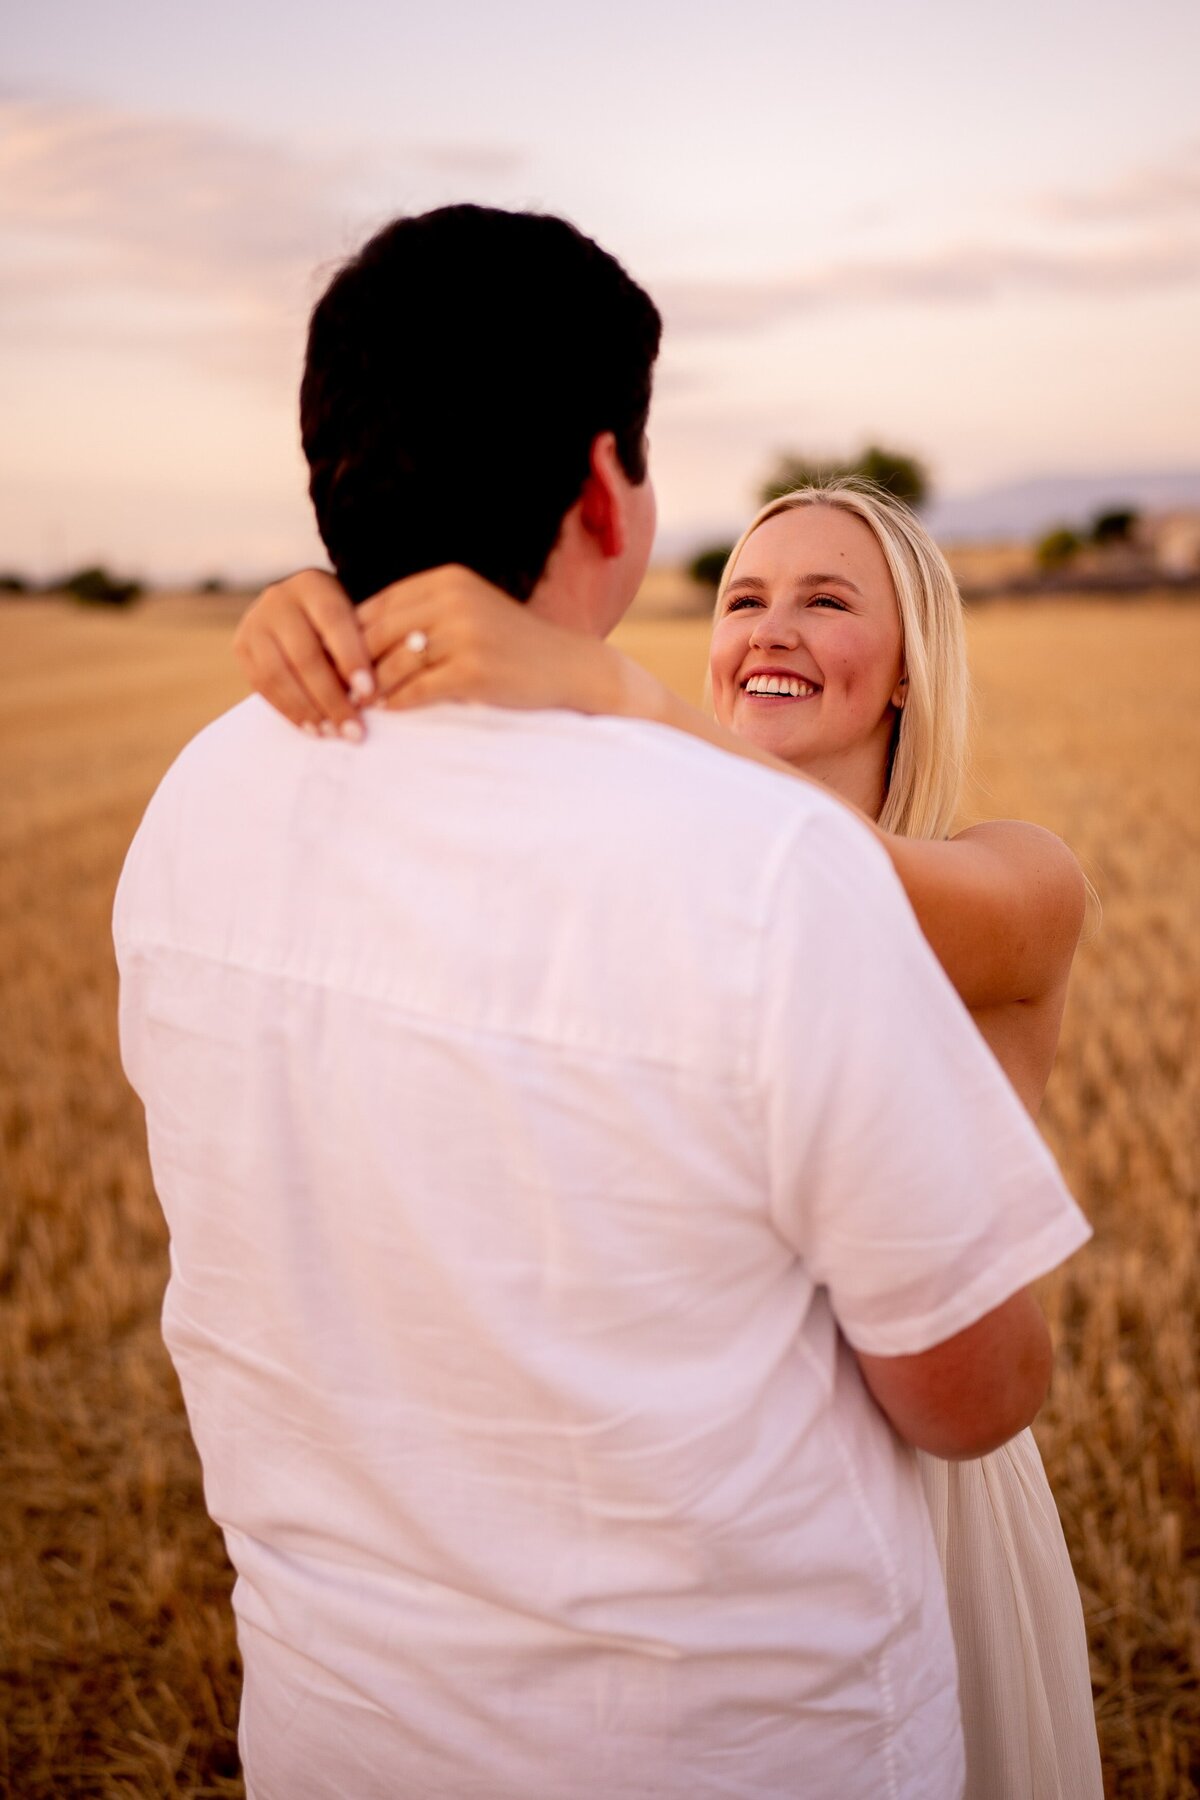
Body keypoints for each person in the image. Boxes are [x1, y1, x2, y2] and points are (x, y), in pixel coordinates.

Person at [116, 204, 1092, 1800]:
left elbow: (971, 1397)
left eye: (829, 600)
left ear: (917, 658)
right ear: (601, 490)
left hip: (892, 1519)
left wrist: (524, 645)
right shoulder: (740, 866)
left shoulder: (980, 876)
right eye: (743, 593)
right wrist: (370, 601)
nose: (770, 625)